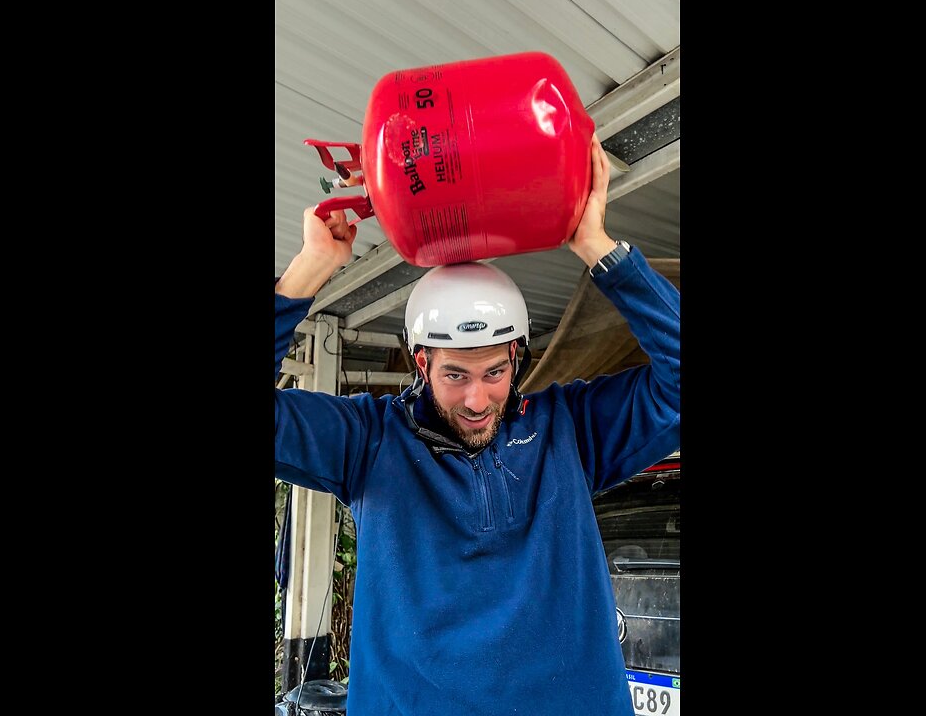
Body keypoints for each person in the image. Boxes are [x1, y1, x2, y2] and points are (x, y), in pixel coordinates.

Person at [274, 134, 680, 715]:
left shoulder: (573, 429)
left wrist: (598, 248)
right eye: (455, 375)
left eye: (493, 372)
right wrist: (310, 269)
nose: (477, 398)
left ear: (516, 357)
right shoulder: (367, 443)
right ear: (421, 363)